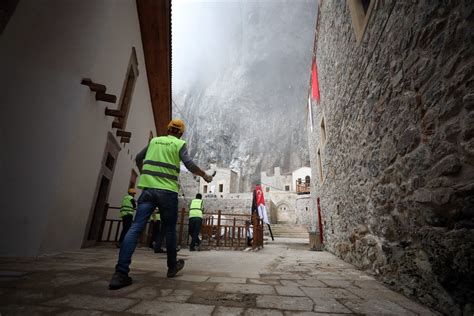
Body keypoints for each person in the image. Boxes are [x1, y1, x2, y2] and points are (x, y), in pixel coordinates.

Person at [109, 118, 213, 290]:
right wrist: (205, 176)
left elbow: (138, 158)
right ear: (180, 132)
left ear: (168, 128)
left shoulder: (154, 141)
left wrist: (145, 174)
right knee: (170, 228)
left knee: (135, 228)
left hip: (148, 191)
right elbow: (189, 164)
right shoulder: (179, 144)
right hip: (167, 193)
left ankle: (120, 273)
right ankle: (172, 266)